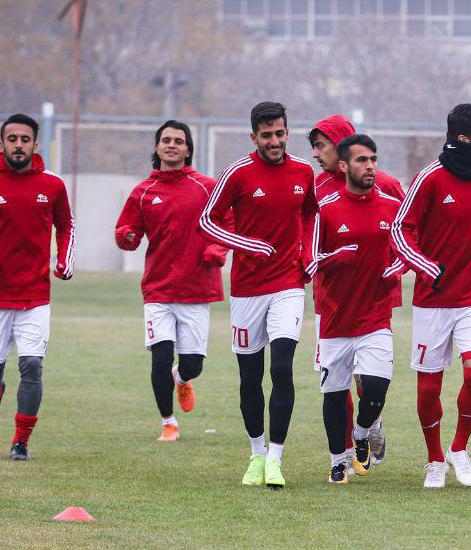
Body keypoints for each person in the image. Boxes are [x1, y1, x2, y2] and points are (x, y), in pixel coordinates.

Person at [198, 101, 318, 488]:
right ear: (254, 137)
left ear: (287, 132)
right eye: (266, 135)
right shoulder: (238, 173)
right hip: (247, 290)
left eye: (280, 133)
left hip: (288, 284)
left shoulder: (303, 171)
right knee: (250, 377)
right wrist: (245, 244)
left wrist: (307, 255)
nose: (275, 141)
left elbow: (310, 214)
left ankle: (276, 459)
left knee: (281, 368)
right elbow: (207, 221)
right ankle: (256, 453)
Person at [385, 103, 471, 489]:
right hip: (433, 301)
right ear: (464, 139)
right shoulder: (429, 178)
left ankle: (459, 448)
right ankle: (435, 459)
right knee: (429, 387)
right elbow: (400, 229)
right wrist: (427, 267)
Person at [115, 120, 226, 442]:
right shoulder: (143, 192)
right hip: (158, 290)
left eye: (179, 140)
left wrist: (216, 249)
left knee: (193, 364)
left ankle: (183, 379)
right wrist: (127, 236)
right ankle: (169, 423)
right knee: (160, 357)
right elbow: (126, 230)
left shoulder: (207, 187)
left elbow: (227, 222)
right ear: (157, 147)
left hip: (197, 289)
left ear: (188, 149)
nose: (172, 145)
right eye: (166, 140)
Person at [308, 114, 405, 467]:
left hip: (375, 297)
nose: (316, 154)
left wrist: (397, 268)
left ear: (341, 147)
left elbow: (407, 231)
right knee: (338, 378)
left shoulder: (386, 185)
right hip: (331, 301)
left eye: (321, 146)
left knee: (368, 375)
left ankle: (370, 424)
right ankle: (345, 454)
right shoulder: (317, 187)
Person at [0, 113, 74, 461]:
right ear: (3, 143)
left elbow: (66, 225)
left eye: (24, 139)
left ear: (35, 143)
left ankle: (21, 442)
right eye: (12, 139)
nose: (18, 145)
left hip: (35, 296)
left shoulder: (53, 185)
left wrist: (64, 260)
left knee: (31, 366)